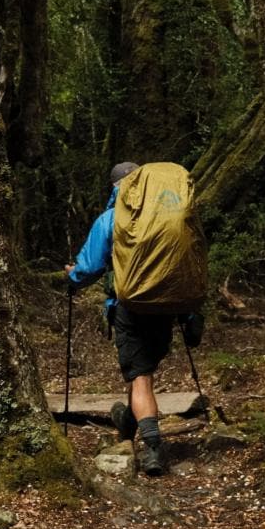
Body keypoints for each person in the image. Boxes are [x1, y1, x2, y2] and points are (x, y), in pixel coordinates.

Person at [65, 162, 174, 476]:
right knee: (143, 370)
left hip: (130, 306)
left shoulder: (110, 219)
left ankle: (153, 448)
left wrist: (72, 278)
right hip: (165, 305)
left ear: (115, 188)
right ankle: (127, 427)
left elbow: (89, 267)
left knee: (140, 377)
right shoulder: (164, 213)